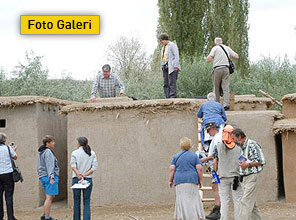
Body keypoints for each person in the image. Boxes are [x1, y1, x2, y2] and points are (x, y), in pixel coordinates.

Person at [231, 128, 266, 220]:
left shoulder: (252, 145)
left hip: (252, 176)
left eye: (234, 139)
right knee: (252, 205)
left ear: (239, 137)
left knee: (245, 201)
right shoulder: (241, 147)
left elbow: (261, 160)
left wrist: (248, 165)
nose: (233, 141)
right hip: (245, 178)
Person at [169, 137, 205, 220]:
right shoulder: (194, 156)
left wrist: (170, 180)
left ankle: (183, 217)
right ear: (190, 146)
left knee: (182, 199)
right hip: (192, 179)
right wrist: (200, 180)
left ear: (181, 146)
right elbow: (199, 168)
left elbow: (172, 169)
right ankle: (193, 216)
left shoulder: (176, 156)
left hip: (179, 180)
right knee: (192, 198)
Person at [213, 125, 243, 220]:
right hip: (235, 177)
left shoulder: (217, 146)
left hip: (223, 176)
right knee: (237, 200)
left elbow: (215, 162)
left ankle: (224, 218)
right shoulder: (239, 147)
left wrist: (215, 173)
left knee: (224, 200)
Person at [206, 37, 239, 111]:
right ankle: (226, 105)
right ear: (221, 41)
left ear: (215, 42)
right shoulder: (227, 48)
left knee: (216, 87)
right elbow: (236, 56)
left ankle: (217, 105)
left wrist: (211, 57)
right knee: (226, 88)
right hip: (226, 69)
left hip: (217, 69)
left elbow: (208, 60)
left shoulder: (215, 48)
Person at [71, 137, 98, 220]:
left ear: (78, 144)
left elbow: (73, 166)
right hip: (88, 179)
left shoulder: (74, 153)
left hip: (76, 179)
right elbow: (94, 168)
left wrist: (79, 174)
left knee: (76, 201)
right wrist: (84, 175)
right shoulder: (92, 153)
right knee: (86, 201)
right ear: (87, 143)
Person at [200, 122, 221, 220]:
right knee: (215, 188)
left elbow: (216, 154)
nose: (208, 132)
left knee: (216, 188)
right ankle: (217, 208)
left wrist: (205, 159)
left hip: (216, 168)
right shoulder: (216, 138)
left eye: (208, 130)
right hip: (215, 168)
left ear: (213, 128)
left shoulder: (217, 138)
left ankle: (218, 210)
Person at [37, 135, 59, 220]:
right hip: (49, 176)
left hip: (44, 176)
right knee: (49, 197)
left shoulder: (41, 151)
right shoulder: (48, 152)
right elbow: (50, 165)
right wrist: (51, 177)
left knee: (51, 196)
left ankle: (44, 214)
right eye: (52, 142)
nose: (54, 143)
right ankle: (47, 217)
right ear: (47, 143)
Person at [0, 133, 18, 220]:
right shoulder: (7, 148)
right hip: (7, 174)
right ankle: (10, 217)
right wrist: (13, 149)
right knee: (9, 196)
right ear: (4, 140)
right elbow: (15, 157)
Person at [159, 33, 181, 98]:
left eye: (161, 41)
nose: (161, 42)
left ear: (165, 39)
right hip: (165, 66)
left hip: (172, 66)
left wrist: (176, 65)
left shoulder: (172, 45)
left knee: (172, 82)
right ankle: (167, 96)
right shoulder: (163, 48)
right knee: (166, 83)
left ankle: (172, 96)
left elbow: (176, 55)